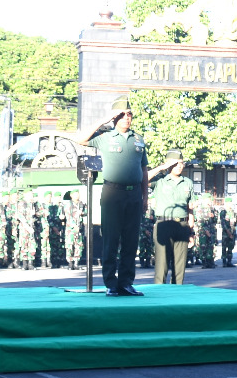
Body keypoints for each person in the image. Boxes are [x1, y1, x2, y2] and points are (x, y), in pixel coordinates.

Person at [79, 97, 149, 296]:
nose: (127, 118)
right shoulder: (105, 136)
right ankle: (111, 283)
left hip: (134, 194)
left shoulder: (138, 139)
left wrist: (145, 197)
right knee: (111, 239)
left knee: (131, 240)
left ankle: (126, 283)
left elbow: (144, 169)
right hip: (112, 193)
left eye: (129, 114)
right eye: (122, 114)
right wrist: (103, 120)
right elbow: (81, 139)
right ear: (114, 117)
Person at [149, 150, 195, 284]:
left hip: (182, 225)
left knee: (179, 267)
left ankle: (177, 292)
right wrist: (161, 168)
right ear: (168, 164)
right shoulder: (160, 180)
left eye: (181, 163)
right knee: (161, 265)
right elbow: (142, 179)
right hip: (164, 224)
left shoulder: (187, 182)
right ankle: (159, 292)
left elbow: (190, 208)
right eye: (176, 163)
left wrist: (191, 232)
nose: (179, 166)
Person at [218, 194, 237, 267]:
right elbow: (223, 223)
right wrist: (228, 232)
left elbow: (236, 223)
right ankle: (224, 262)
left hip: (232, 232)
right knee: (224, 247)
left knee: (230, 247)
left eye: (231, 202)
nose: (230, 204)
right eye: (229, 203)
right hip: (226, 233)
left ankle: (229, 261)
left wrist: (235, 221)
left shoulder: (233, 212)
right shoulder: (223, 212)